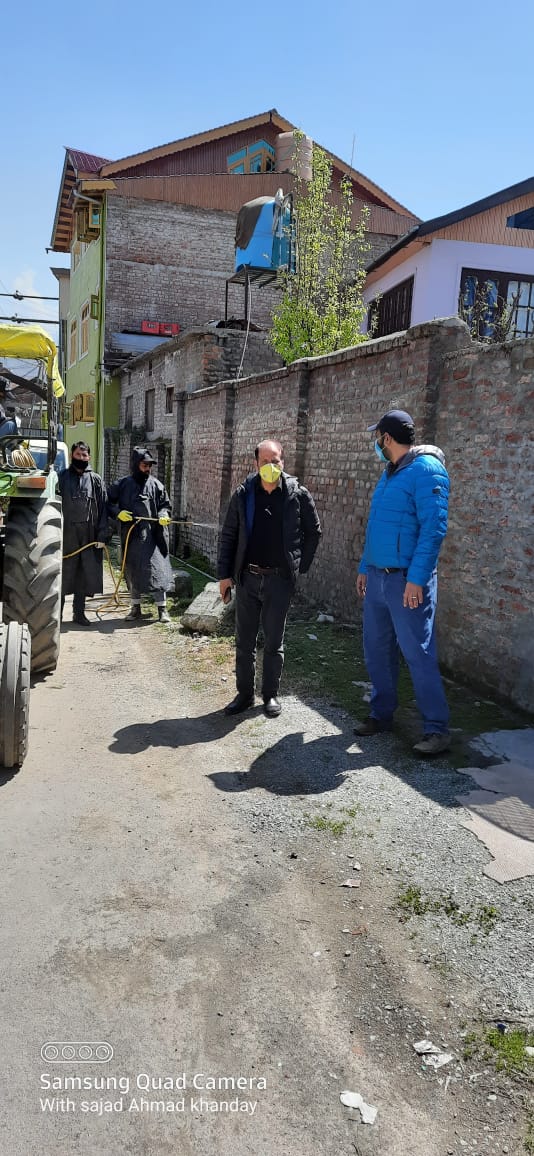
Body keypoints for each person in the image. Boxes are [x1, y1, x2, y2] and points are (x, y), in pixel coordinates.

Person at [355, 409, 451, 756]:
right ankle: (381, 715)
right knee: (376, 649)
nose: (375, 443)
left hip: (406, 583)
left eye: (376, 436)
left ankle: (437, 729)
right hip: (379, 579)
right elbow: (376, 526)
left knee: (418, 653)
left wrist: (417, 580)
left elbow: (434, 530)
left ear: (387, 438)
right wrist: (365, 566)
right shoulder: (390, 473)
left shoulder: (427, 471)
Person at [217, 438, 321, 718]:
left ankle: (270, 695)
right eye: (265, 462)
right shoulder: (244, 494)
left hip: (279, 580)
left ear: (282, 462)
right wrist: (224, 576)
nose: (271, 466)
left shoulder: (297, 494)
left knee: (274, 642)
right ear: (256, 464)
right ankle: (244, 694)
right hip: (248, 578)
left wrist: (300, 565)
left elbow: (314, 532)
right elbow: (228, 536)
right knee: (244, 641)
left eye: (275, 461)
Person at [108, 446, 173, 622]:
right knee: (133, 571)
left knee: (159, 571)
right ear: (136, 465)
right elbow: (107, 503)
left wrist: (163, 515)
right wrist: (117, 512)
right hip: (132, 535)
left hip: (154, 536)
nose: (147, 469)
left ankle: (162, 609)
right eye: (144, 465)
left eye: (149, 466)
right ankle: (135, 608)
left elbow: (165, 505)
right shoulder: (121, 485)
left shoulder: (157, 485)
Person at [57, 441, 108, 626]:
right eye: (78, 455)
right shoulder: (61, 477)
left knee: (83, 576)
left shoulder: (96, 480)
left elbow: (103, 508)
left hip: (88, 536)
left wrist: (102, 535)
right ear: (72, 456)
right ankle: (57, 615)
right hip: (66, 536)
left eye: (85, 455)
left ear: (89, 457)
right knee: (62, 575)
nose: (82, 458)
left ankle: (79, 614)